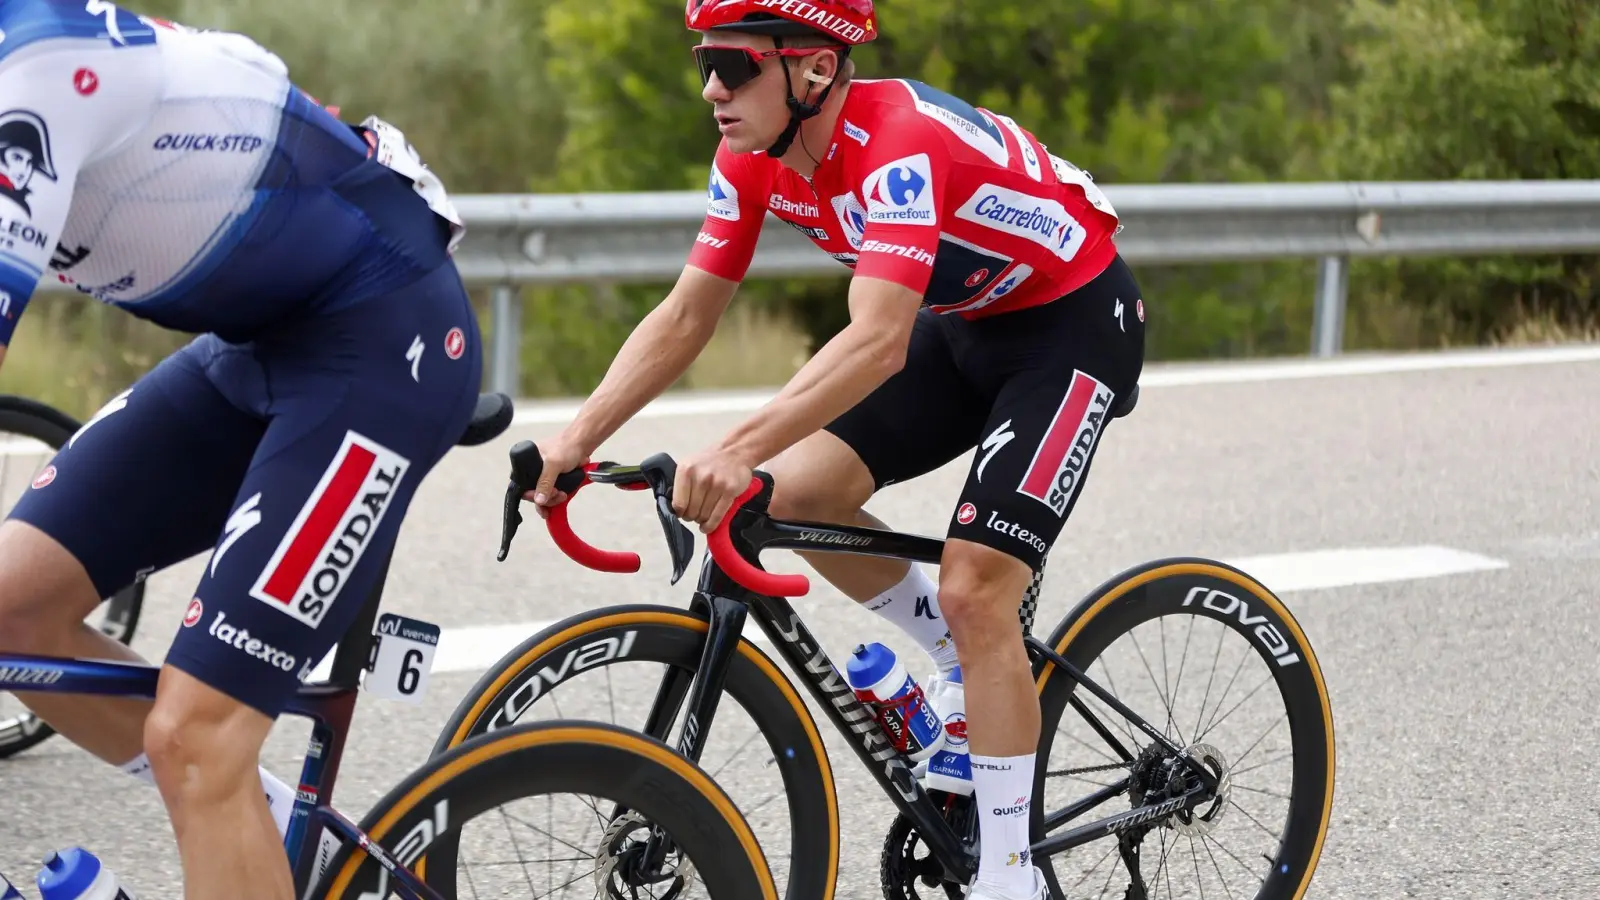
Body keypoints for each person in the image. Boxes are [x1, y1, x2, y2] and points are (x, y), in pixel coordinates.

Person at [526, 0, 1144, 897]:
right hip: (963, 321)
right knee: (782, 499)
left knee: (979, 590)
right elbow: (689, 313)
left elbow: (877, 344)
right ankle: (946, 657)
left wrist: (733, 445)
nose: (711, 88)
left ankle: (1010, 874)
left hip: (1072, 325)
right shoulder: (748, 158)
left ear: (813, 69)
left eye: (734, 67)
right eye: (704, 61)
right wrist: (574, 442)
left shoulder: (894, 141)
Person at [0, 2, 482, 897]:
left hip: (380, 342)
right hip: (253, 342)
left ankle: (222, 793)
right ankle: (264, 838)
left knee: (196, 737)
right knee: (11, 610)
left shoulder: (31, 77)